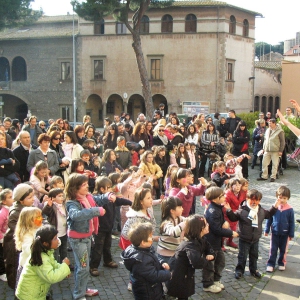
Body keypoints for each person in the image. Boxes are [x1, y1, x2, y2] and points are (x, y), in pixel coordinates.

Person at [65, 173, 106, 299]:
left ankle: (83, 288)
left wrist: (108, 196)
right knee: (83, 267)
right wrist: (96, 211)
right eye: (83, 185)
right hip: (78, 240)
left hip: (87, 237)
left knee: (82, 266)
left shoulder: (87, 197)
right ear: (75, 188)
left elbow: (98, 199)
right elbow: (76, 215)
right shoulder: (72, 203)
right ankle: (79, 294)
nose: (87, 186)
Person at [225, 189, 280, 280]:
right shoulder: (242, 211)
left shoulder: (261, 211)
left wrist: (275, 206)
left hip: (255, 239)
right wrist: (229, 210)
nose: (254, 202)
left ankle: (253, 270)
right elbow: (233, 218)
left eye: (257, 200)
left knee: (254, 255)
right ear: (247, 199)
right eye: (252, 199)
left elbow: (269, 214)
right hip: (244, 238)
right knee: (242, 255)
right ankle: (239, 270)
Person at [15, 225, 71, 300]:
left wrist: (64, 269)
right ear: (45, 243)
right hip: (29, 297)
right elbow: (52, 277)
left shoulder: (46, 252)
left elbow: (53, 264)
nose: (58, 240)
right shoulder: (41, 258)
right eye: (55, 239)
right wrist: (64, 266)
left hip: (34, 294)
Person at [89, 177, 131, 276]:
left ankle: (107, 261)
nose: (110, 189)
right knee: (98, 248)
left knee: (107, 246)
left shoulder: (112, 198)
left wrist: (130, 202)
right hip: (99, 228)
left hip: (108, 227)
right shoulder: (97, 199)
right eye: (108, 187)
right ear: (101, 189)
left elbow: (119, 201)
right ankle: (93, 266)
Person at [167, 214, 215, 298]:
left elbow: (209, 248)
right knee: (182, 294)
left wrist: (211, 254)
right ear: (200, 228)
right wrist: (206, 259)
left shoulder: (201, 239)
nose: (208, 225)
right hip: (178, 276)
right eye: (206, 224)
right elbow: (197, 263)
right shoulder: (190, 245)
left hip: (186, 274)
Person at [121, 222, 171, 300]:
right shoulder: (140, 260)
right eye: (150, 236)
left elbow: (153, 260)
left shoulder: (143, 249)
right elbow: (154, 276)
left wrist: (161, 263)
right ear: (143, 242)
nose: (152, 238)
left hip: (149, 289)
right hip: (148, 293)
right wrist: (168, 274)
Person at [203, 187, 237, 293]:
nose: (224, 197)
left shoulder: (218, 207)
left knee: (220, 261)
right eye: (221, 196)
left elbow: (220, 222)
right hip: (211, 242)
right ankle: (207, 284)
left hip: (217, 242)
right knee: (210, 264)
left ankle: (216, 280)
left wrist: (224, 222)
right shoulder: (213, 210)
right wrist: (230, 233)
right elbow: (216, 229)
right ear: (214, 199)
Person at [3, 183, 35, 289]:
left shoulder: (27, 208)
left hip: (23, 242)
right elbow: (15, 226)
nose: (33, 199)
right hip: (15, 244)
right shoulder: (16, 212)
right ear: (21, 200)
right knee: (16, 267)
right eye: (29, 197)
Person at [264, 186, 294, 272]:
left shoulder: (290, 209)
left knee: (283, 250)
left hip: (285, 233)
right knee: (273, 249)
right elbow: (269, 219)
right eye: (280, 198)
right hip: (275, 232)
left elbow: (292, 222)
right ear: (277, 196)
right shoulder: (274, 208)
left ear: (288, 198)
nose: (282, 200)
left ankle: (281, 262)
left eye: (284, 198)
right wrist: (266, 230)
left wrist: (291, 234)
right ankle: (270, 263)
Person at [14, 207, 43, 286]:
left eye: (41, 216)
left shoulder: (41, 228)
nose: (41, 218)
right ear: (29, 220)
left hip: (38, 264)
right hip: (28, 266)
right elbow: (29, 250)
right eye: (38, 217)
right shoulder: (26, 234)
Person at [42, 188, 68, 263]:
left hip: (64, 232)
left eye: (62, 196)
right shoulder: (52, 206)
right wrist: (48, 206)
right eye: (59, 196)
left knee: (64, 249)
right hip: (55, 233)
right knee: (55, 251)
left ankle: (65, 263)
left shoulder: (64, 205)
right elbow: (45, 213)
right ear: (53, 198)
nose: (62, 198)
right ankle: (56, 264)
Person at [157, 197, 185, 263]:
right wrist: (184, 224)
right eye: (180, 207)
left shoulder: (179, 219)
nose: (182, 209)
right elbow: (173, 232)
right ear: (172, 210)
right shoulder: (166, 223)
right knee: (167, 272)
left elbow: (188, 220)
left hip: (174, 253)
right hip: (165, 255)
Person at [0, 188, 13, 282]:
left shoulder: (11, 209)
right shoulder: (3, 213)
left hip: (8, 237)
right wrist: (2, 239)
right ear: (4, 201)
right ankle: (2, 272)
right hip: (2, 238)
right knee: (1, 256)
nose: (13, 199)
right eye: (10, 197)